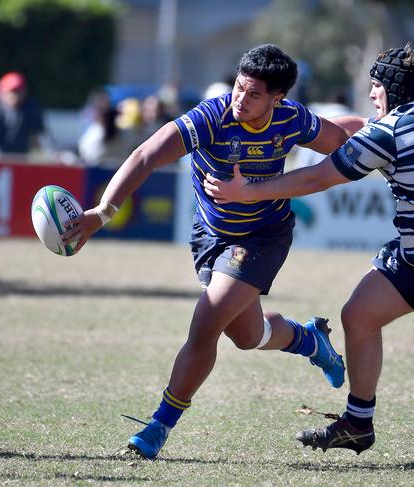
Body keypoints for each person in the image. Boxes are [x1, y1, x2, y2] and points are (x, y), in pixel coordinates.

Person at [204, 43, 414, 455]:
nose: (371, 94)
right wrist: (305, 126)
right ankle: (358, 424)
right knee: (358, 315)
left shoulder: (391, 132)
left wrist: (248, 192)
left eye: (376, 85)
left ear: (394, 90)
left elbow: (317, 180)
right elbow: (360, 127)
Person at [63, 44, 364, 460]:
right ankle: (311, 341)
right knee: (246, 335)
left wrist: (378, 137)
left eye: (254, 93)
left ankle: (159, 425)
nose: (241, 99)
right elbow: (147, 154)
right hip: (211, 236)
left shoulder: (293, 119)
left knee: (206, 320)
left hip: (263, 237)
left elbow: (340, 143)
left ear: (277, 98)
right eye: (240, 87)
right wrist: (102, 211)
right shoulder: (212, 116)